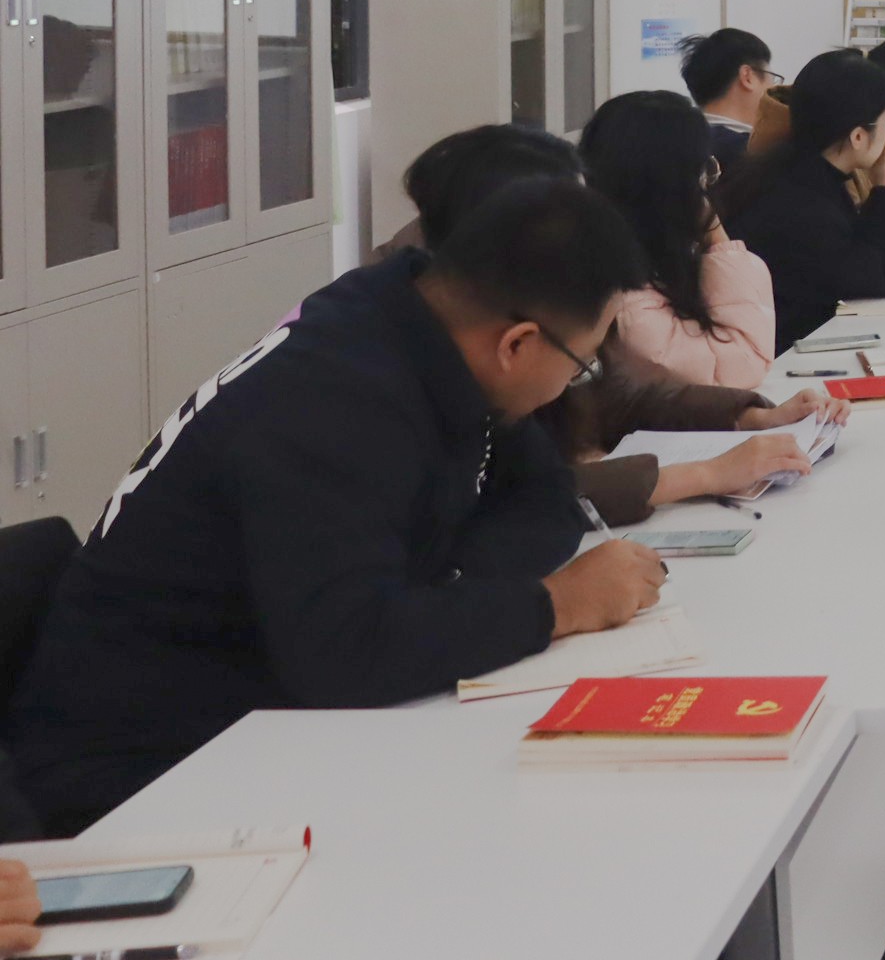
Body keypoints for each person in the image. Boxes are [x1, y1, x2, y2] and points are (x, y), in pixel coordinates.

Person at [3, 179, 668, 833]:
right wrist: (555, 606)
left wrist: (446, 591)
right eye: (580, 365)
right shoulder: (335, 402)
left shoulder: (427, 332)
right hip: (137, 784)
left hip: (266, 723)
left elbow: (546, 499)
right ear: (516, 344)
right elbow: (348, 652)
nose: (570, 385)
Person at [399, 122, 836, 526]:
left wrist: (750, 415)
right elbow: (512, 495)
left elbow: (612, 396)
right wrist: (704, 473)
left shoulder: (515, 297)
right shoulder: (405, 368)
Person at [723, 49, 885, 352]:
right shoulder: (798, 202)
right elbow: (883, 277)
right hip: (783, 356)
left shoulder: (798, 171)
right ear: (858, 137)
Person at [583, 90, 779, 388]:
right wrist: (718, 239)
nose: (709, 181)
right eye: (703, 169)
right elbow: (741, 366)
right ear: (673, 185)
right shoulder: (623, 296)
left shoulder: (642, 256)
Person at [680, 27, 778, 172]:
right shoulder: (759, 157)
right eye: (773, 79)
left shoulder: (678, 142)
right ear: (748, 77)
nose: (774, 88)